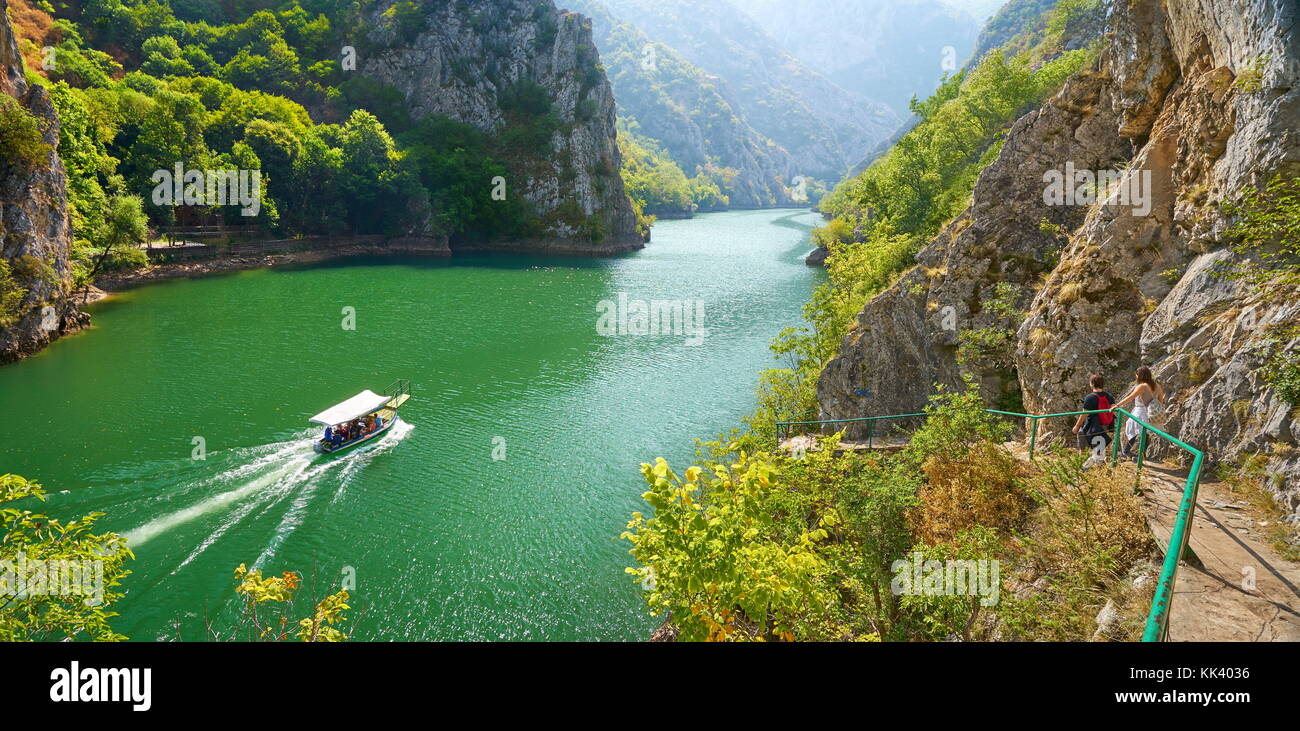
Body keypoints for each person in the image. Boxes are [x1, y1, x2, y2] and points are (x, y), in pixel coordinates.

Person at [1111, 366, 1165, 458]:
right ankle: (1142, 455)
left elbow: (1130, 397)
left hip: (1140, 411)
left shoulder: (1142, 386)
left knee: (1131, 429)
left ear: (1139, 375)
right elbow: (1161, 401)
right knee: (1146, 432)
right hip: (1151, 412)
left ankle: (1126, 451)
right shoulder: (1157, 385)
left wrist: (1117, 405)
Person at [1071, 373, 1116, 455]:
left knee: (1081, 435)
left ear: (1092, 384)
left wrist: (1077, 426)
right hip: (1105, 425)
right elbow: (1115, 411)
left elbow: (1084, 414)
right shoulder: (1109, 396)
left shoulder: (1090, 397)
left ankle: (1082, 458)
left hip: (1093, 426)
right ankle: (1099, 463)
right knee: (1100, 445)